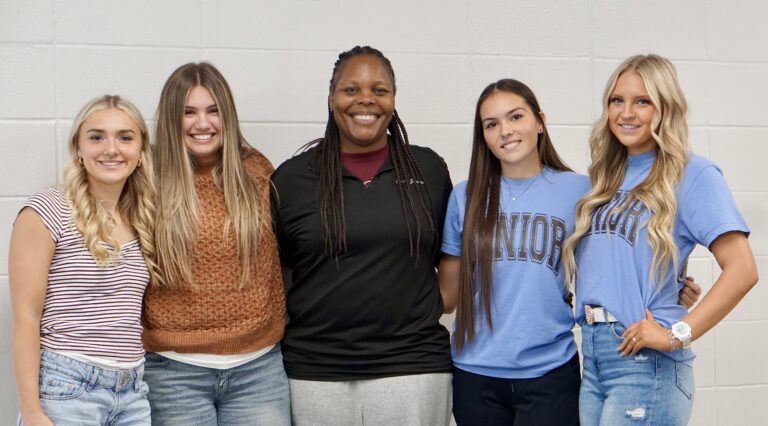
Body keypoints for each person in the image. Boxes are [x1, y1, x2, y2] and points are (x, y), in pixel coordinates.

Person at [562, 54, 758, 425]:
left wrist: (676, 335)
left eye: (643, 101)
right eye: (616, 100)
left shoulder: (692, 173)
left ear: (664, 108)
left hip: (645, 363)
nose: (626, 113)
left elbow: (743, 270)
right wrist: (672, 281)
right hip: (594, 356)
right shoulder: (605, 179)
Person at [271, 46, 453, 425]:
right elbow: (280, 275)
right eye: (351, 89)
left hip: (412, 368)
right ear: (331, 98)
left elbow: (449, 264)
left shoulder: (429, 170)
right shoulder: (291, 179)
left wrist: (412, 311)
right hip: (314, 373)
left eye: (379, 90)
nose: (365, 99)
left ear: (393, 99)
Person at [142, 62, 289, 425]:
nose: (202, 124)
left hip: (260, 370)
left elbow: (284, 258)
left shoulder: (257, 170)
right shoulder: (147, 177)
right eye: (188, 112)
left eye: (213, 111)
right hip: (173, 374)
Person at [438, 79, 587, 425]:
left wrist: (671, 286)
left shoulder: (579, 191)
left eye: (515, 117)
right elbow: (447, 296)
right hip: (475, 374)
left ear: (539, 121)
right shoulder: (465, 197)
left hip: (550, 371)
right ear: (484, 137)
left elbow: (615, 258)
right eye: (491, 124)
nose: (505, 131)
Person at [9, 95, 157, 425]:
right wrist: (32, 411)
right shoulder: (48, 209)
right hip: (67, 388)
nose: (111, 149)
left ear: (140, 151)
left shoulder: (141, 217)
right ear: (78, 148)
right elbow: (26, 317)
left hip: (133, 391)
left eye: (125, 137)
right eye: (96, 137)